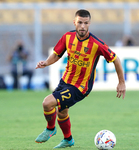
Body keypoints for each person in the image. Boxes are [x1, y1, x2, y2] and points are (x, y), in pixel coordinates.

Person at [35, 9, 126, 149]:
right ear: (74, 22)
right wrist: (46, 62)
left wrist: (121, 82)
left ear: (89, 24)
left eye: (86, 23)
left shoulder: (97, 44)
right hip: (65, 81)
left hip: (81, 87)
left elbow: (116, 59)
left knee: (47, 103)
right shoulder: (67, 37)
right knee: (62, 111)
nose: (82, 26)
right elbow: (56, 54)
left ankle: (50, 128)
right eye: (80, 22)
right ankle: (68, 139)